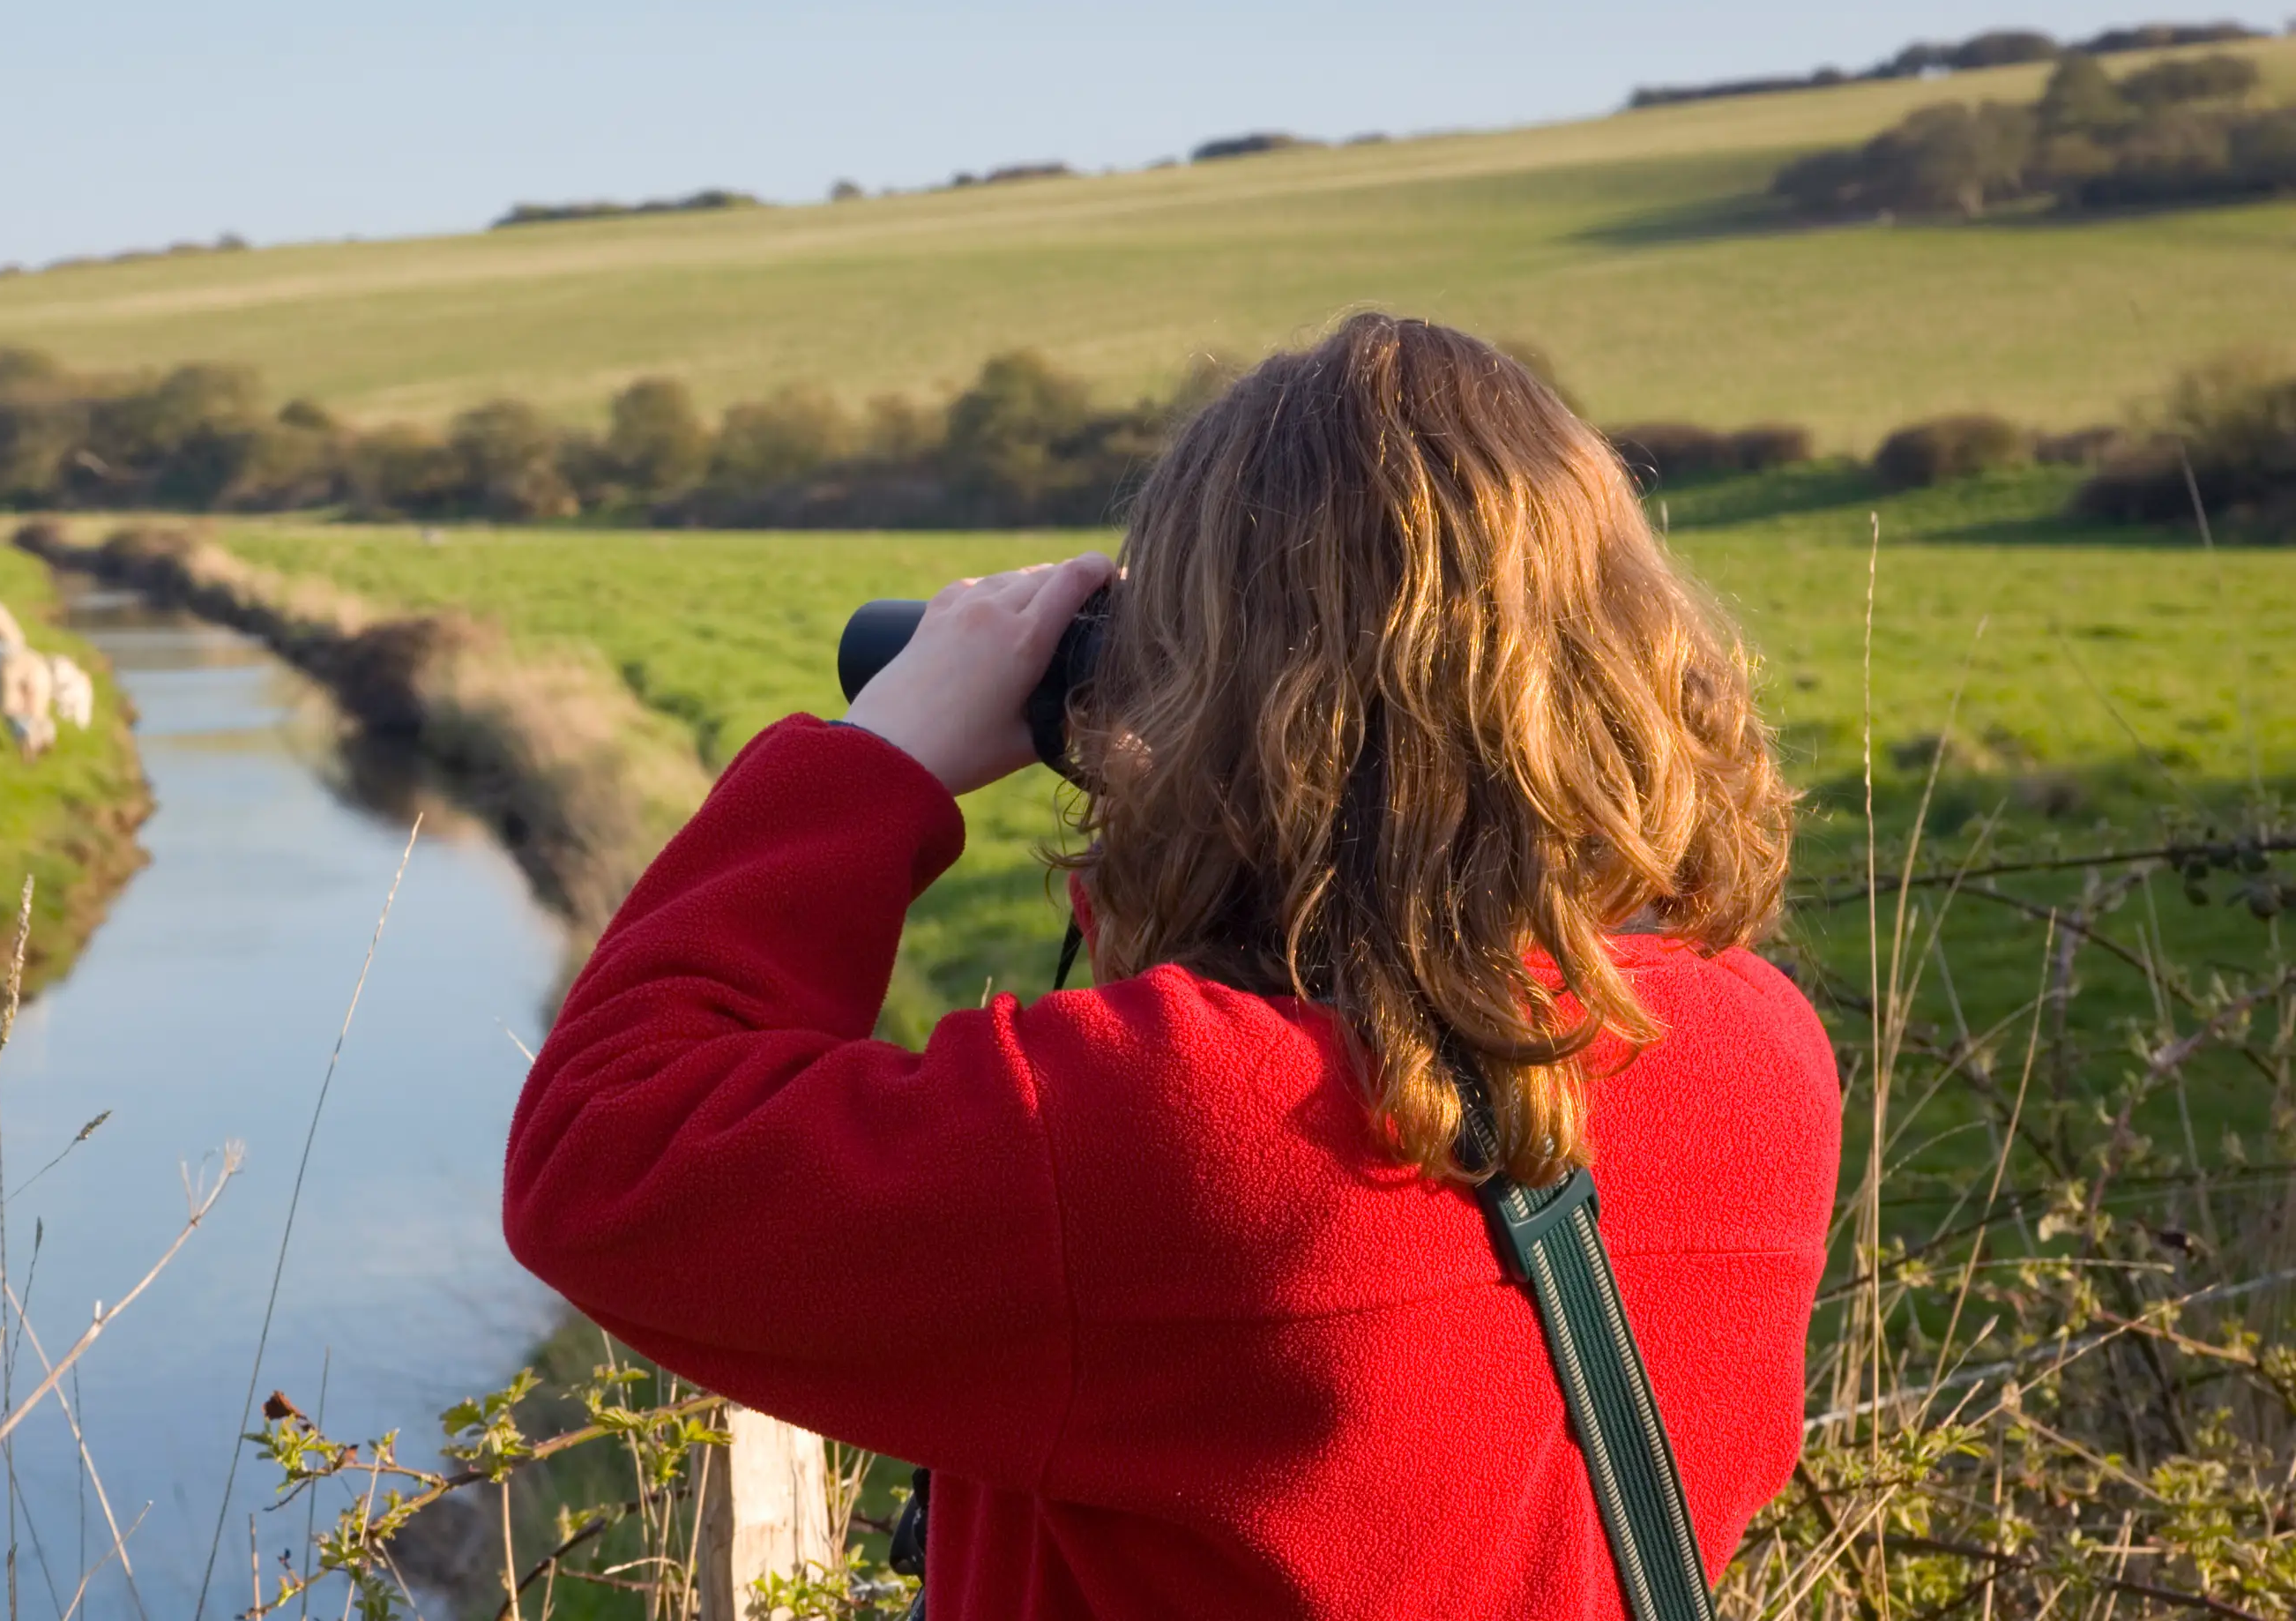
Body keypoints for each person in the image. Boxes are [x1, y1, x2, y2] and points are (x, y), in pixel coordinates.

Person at [501, 313, 1838, 1617]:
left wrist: (878, 758)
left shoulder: (1180, 1124)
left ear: (1203, 697)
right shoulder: (1758, 1056)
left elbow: (602, 1153)